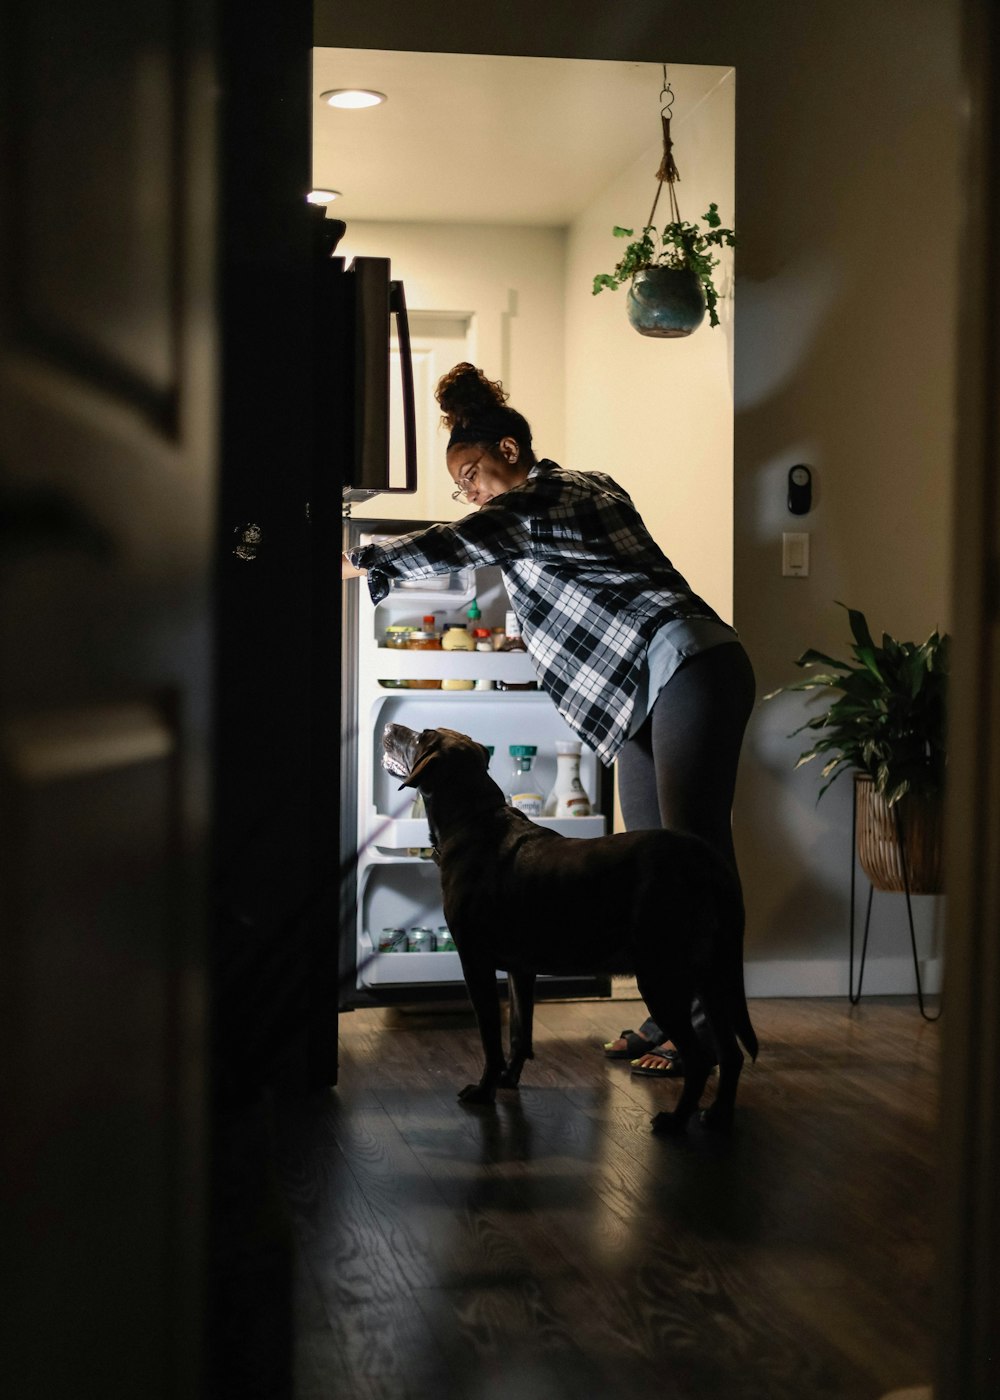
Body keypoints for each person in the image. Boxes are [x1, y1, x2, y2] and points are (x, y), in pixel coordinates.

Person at [343, 364, 755, 1073]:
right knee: (653, 862)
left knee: (695, 854)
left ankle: (713, 1031)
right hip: (640, 688)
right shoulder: (528, 524)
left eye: (471, 473)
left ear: (509, 450)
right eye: (459, 484)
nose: (468, 493)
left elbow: (470, 538)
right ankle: (673, 1016)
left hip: (688, 665)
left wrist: (364, 557)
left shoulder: (561, 492)